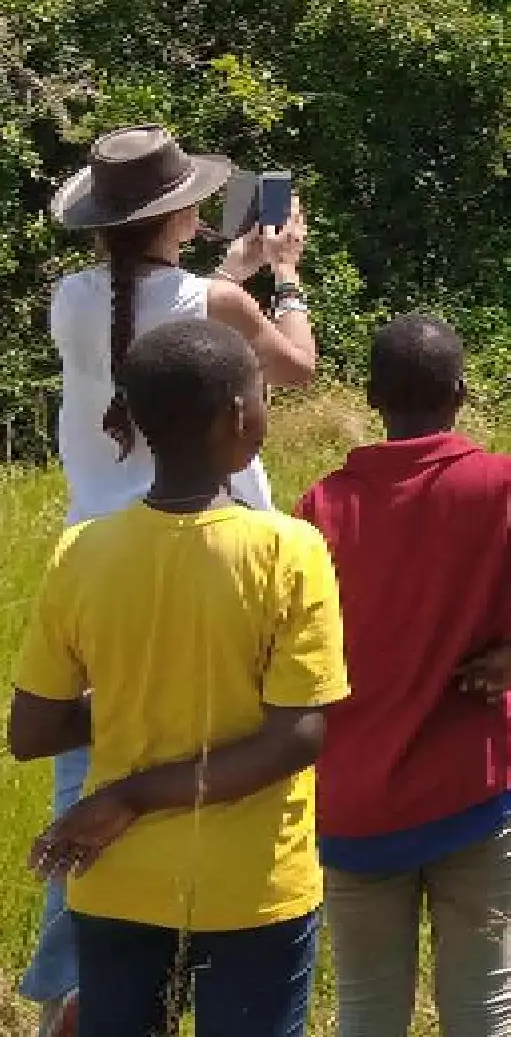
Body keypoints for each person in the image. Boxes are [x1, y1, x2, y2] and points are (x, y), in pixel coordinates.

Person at [24, 125, 317, 1037]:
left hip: (103, 555)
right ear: (176, 212)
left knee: (93, 776)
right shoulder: (217, 300)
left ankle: (75, 986)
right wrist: (286, 276)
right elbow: (295, 367)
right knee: (226, 756)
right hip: (218, 550)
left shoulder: (70, 299)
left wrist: (226, 271)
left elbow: (148, 309)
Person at [294, 313, 511, 1037]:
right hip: (472, 790)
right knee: (481, 1007)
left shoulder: (321, 507)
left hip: (354, 801)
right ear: (460, 392)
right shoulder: (504, 486)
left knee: (365, 1008)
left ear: (371, 397)